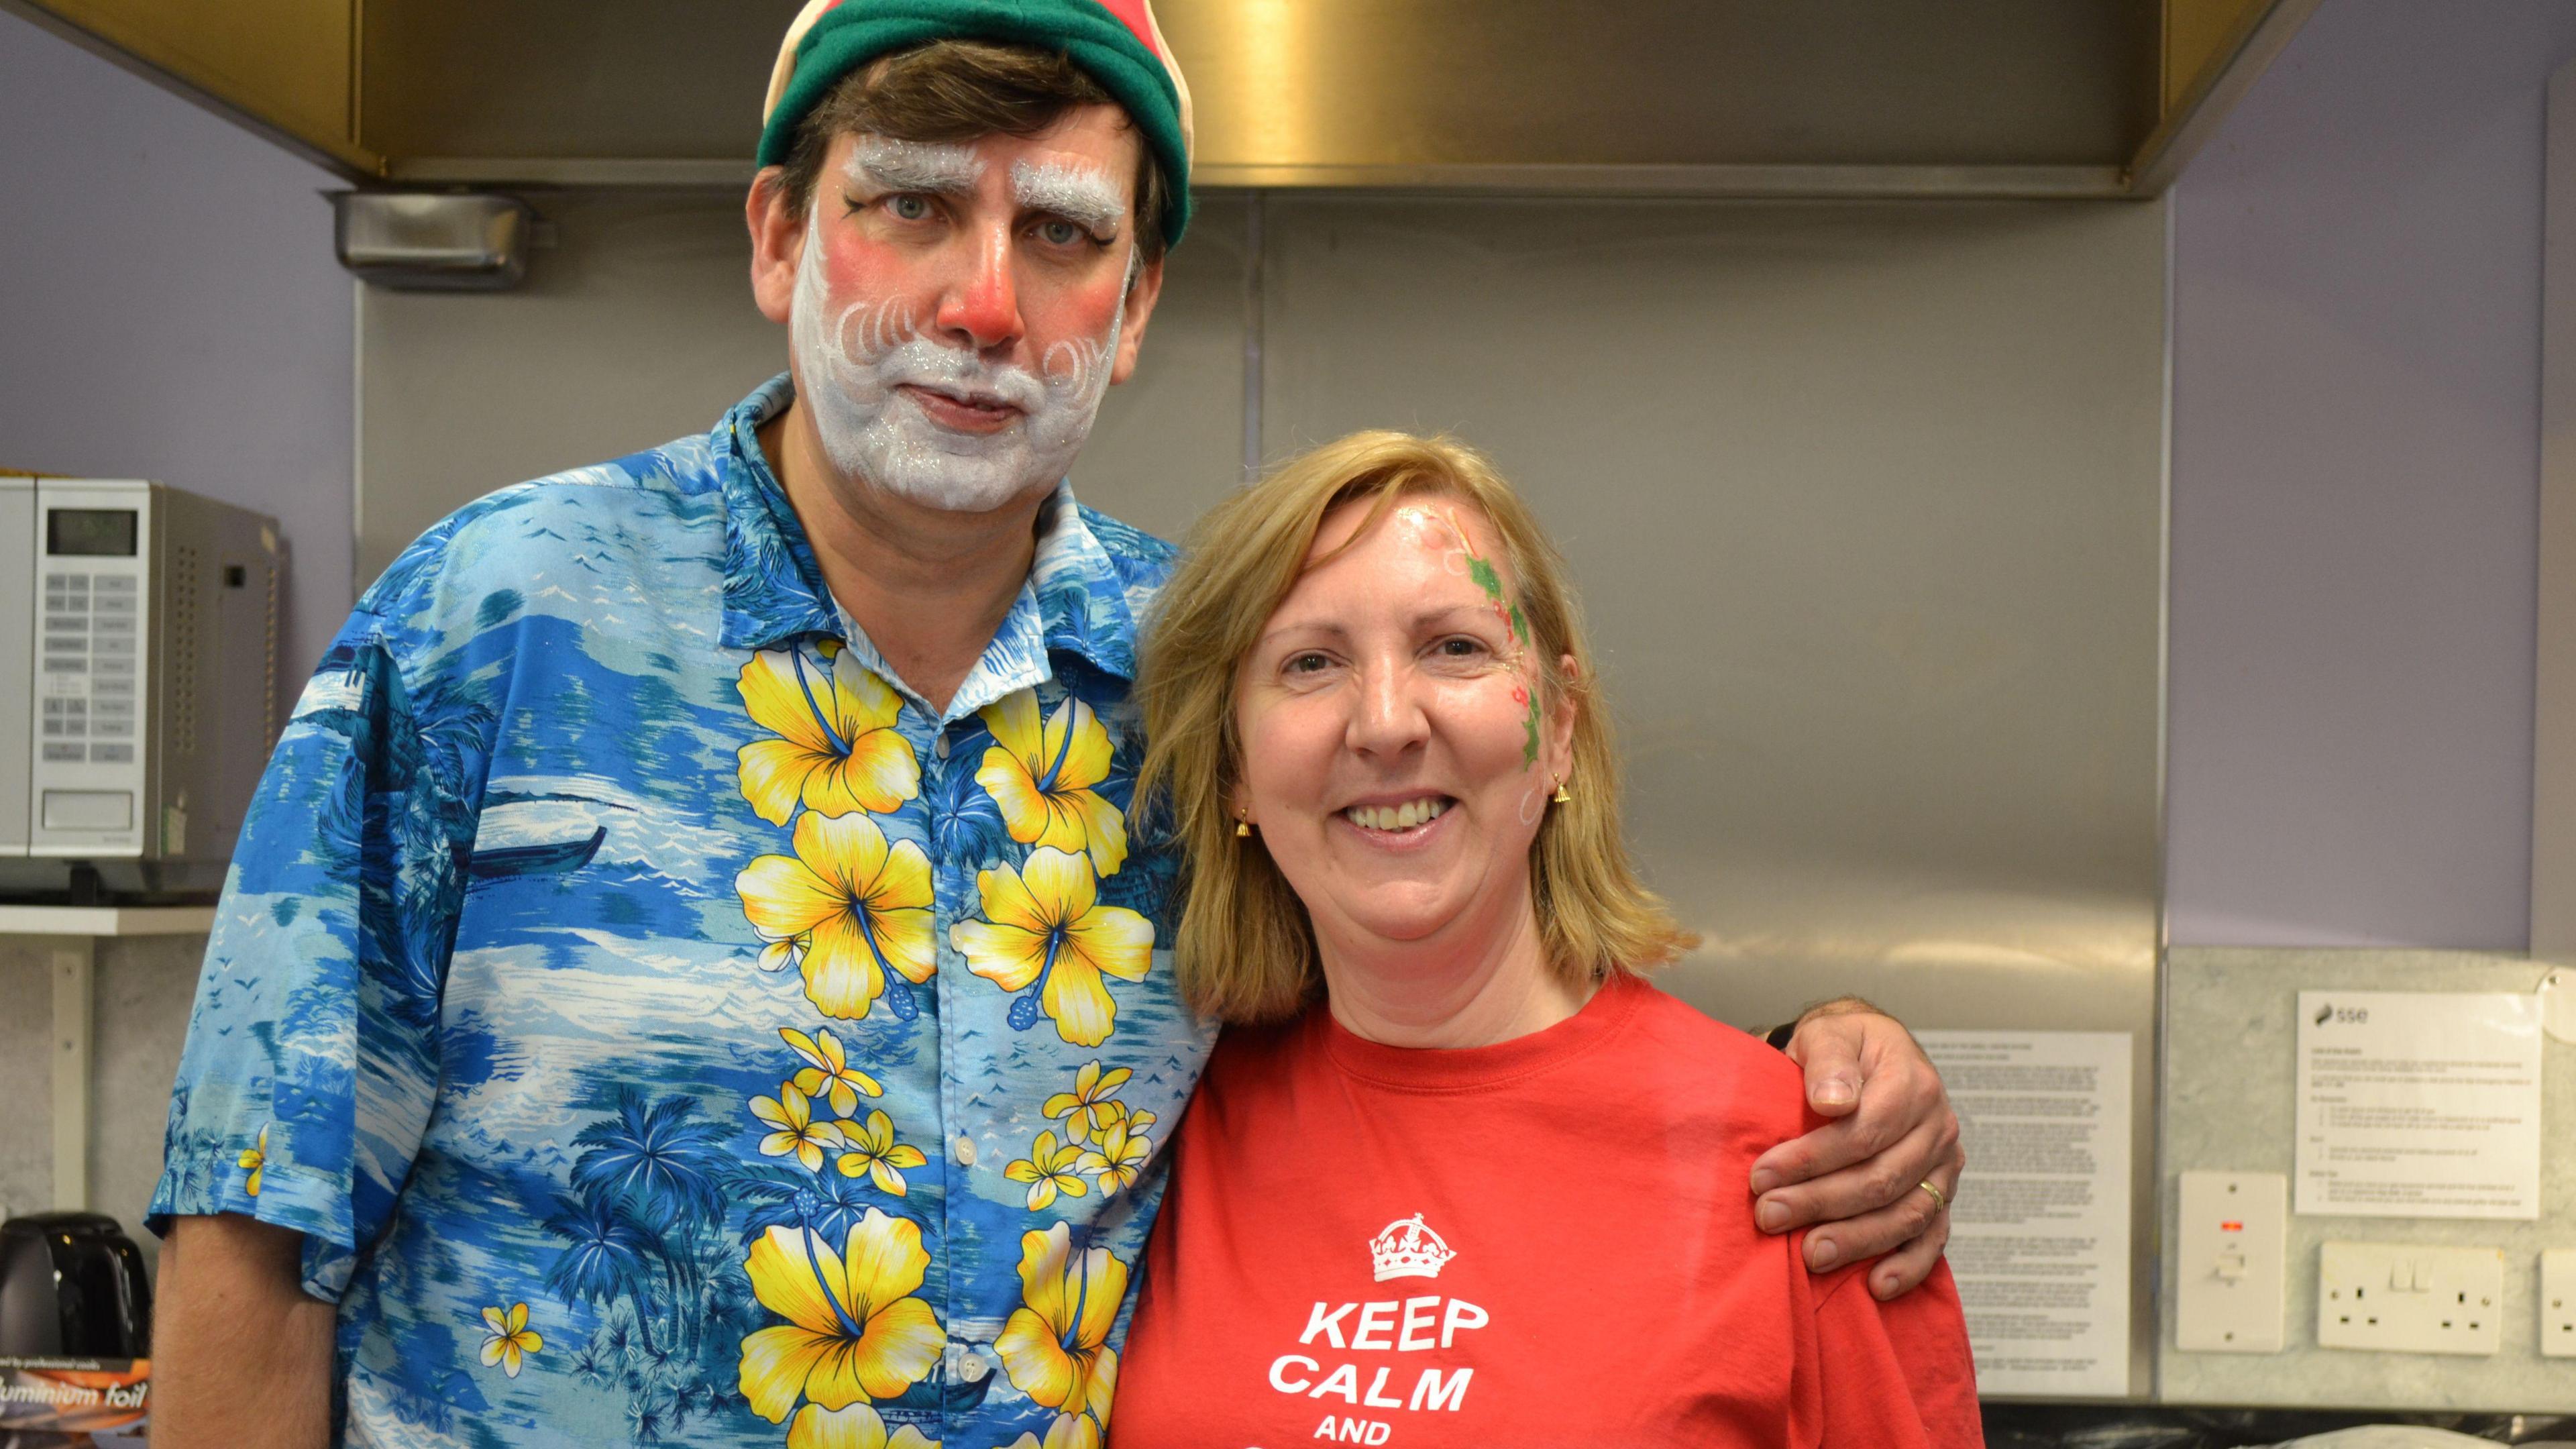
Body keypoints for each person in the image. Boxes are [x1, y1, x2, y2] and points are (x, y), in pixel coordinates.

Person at [141, 4, 1962, 1447]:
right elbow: (255, 1208)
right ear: (783, 233)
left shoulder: (1212, 676)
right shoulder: (491, 621)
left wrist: (1823, 1058)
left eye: (1063, 234)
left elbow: (1469, 1011)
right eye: (913, 203)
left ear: (1139, 301)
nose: (985, 301)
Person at [1110, 432, 1981, 1447]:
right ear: (1234, 775)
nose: (1385, 723)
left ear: (1560, 725)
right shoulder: (1150, 1124)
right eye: (1311, 663)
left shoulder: (1806, 1168)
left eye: (1455, 648)